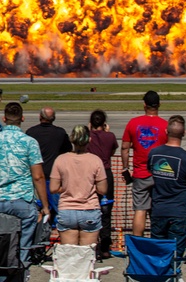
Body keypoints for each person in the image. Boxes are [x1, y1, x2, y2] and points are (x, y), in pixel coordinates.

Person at [0, 102, 48, 281]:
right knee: (23, 248)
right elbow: (38, 176)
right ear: (22, 119)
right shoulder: (29, 142)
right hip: (23, 200)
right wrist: (45, 205)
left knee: (1, 245)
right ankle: (19, 275)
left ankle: (2, 277)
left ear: (4, 119)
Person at [147, 116, 186, 259]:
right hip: (179, 212)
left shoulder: (154, 154)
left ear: (166, 131)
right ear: (184, 133)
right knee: (176, 255)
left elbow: (151, 174)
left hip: (159, 210)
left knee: (158, 253)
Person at [121, 90, 167, 236]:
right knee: (158, 211)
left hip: (140, 173)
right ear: (159, 105)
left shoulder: (133, 123)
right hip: (160, 173)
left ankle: (137, 245)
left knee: (140, 210)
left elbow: (125, 148)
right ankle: (157, 242)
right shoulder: (165, 125)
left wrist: (125, 168)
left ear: (144, 105)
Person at [51, 125, 106, 246]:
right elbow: (102, 189)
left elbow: (53, 188)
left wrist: (66, 187)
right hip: (89, 209)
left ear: (72, 139)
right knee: (86, 254)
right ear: (89, 140)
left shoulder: (61, 159)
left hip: (67, 209)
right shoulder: (95, 160)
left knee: (70, 255)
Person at [26, 106, 72, 222]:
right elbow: (68, 150)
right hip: (54, 178)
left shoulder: (31, 133)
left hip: (36, 178)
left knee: (39, 210)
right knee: (58, 211)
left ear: (40, 117)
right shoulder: (60, 133)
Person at [85, 110, 117, 258]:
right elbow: (112, 151)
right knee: (106, 212)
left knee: (89, 208)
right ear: (104, 124)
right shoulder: (110, 136)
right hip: (105, 173)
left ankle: (89, 244)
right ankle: (105, 247)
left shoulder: (87, 138)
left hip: (90, 174)